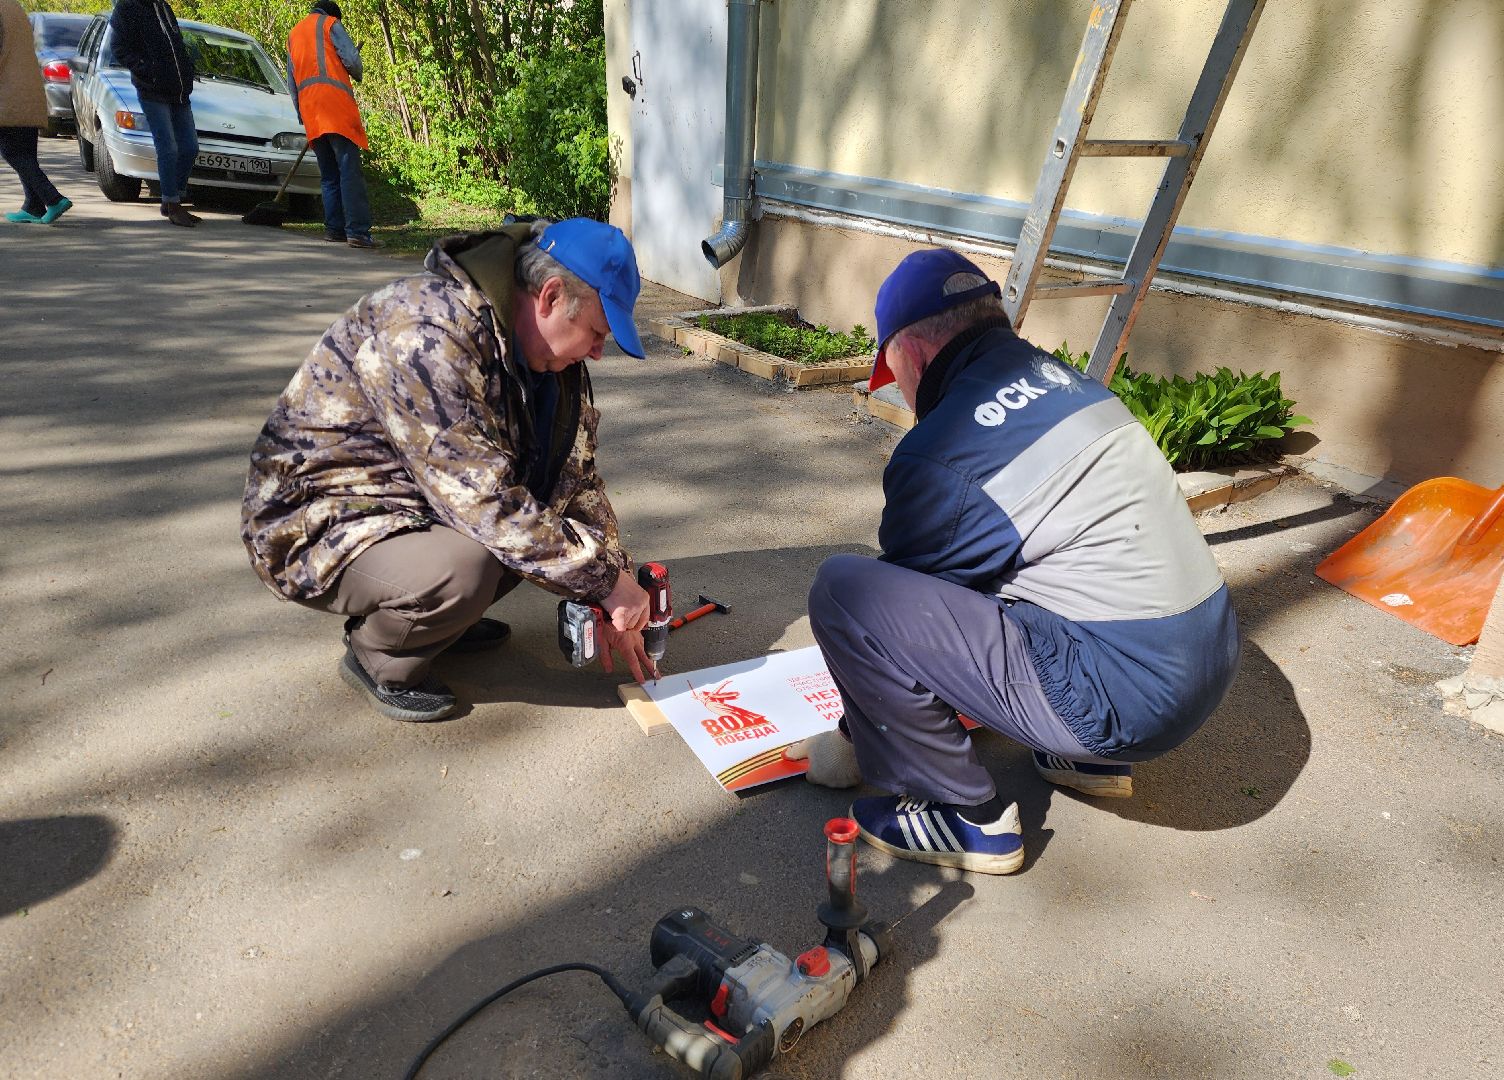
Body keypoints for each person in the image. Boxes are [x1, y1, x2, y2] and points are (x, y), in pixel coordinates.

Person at [789, 248, 1242, 875]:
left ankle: (964, 815)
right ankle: (1087, 760)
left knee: (844, 593)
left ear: (913, 355)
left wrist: (850, 742)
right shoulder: (1070, 383)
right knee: (1019, 562)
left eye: (895, 375)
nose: (904, 393)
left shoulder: (938, 453)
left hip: (1125, 696)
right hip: (1208, 658)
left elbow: (903, 627)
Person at [241, 217, 654, 723]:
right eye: (596, 332)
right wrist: (604, 582)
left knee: (538, 537)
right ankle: (381, 656)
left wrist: (616, 577)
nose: (597, 351)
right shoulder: (425, 334)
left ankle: (436, 621)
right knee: (473, 564)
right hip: (316, 519)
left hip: (415, 501)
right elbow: (485, 505)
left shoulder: (554, 366)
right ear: (549, 297)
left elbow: (577, 480)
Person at [286, 0, 373, 249]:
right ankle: (357, 231)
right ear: (334, 14)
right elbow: (353, 61)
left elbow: (292, 82)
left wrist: (301, 113)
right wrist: (356, 71)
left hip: (311, 110)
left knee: (329, 175)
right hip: (335, 106)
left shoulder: (294, 34)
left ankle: (334, 230)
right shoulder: (331, 24)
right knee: (349, 171)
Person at [109, 0, 198, 227]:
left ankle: (173, 198)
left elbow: (175, 44)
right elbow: (118, 48)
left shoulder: (163, 6)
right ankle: (173, 203)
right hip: (152, 90)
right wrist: (146, 71)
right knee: (167, 146)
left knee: (189, 147)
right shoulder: (127, 7)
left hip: (178, 90)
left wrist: (187, 70)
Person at [0, 0, 71, 224]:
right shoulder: (13, 7)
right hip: (28, 88)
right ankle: (33, 205)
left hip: (8, 93)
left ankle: (53, 198)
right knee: (25, 152)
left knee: (11, 150)